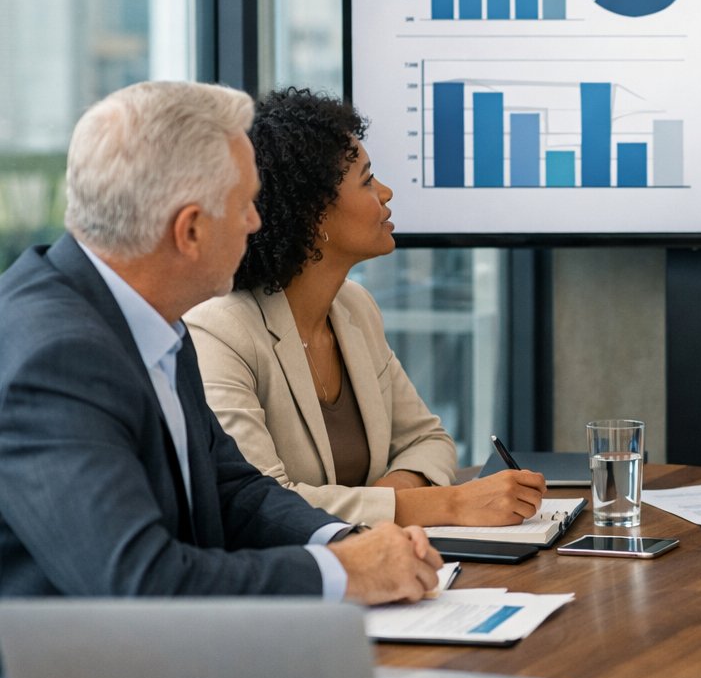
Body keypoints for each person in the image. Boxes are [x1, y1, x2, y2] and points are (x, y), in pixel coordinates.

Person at [0, 82, 444, 678]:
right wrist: (345, 574)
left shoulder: (146, 314)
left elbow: (234, 491)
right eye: (243, 206)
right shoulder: (56, 353)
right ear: (189, 230)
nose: (258, 224)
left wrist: (340, 543)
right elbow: (139, 583)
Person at [185, 88, 546, 526]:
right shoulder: (219, 331)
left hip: (386, 566)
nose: (387, 192)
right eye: (368, 180)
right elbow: (261, 505)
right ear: (314, 216)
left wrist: (381, 503)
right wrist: (448, 505)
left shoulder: (353, 307)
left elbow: (429, 440)